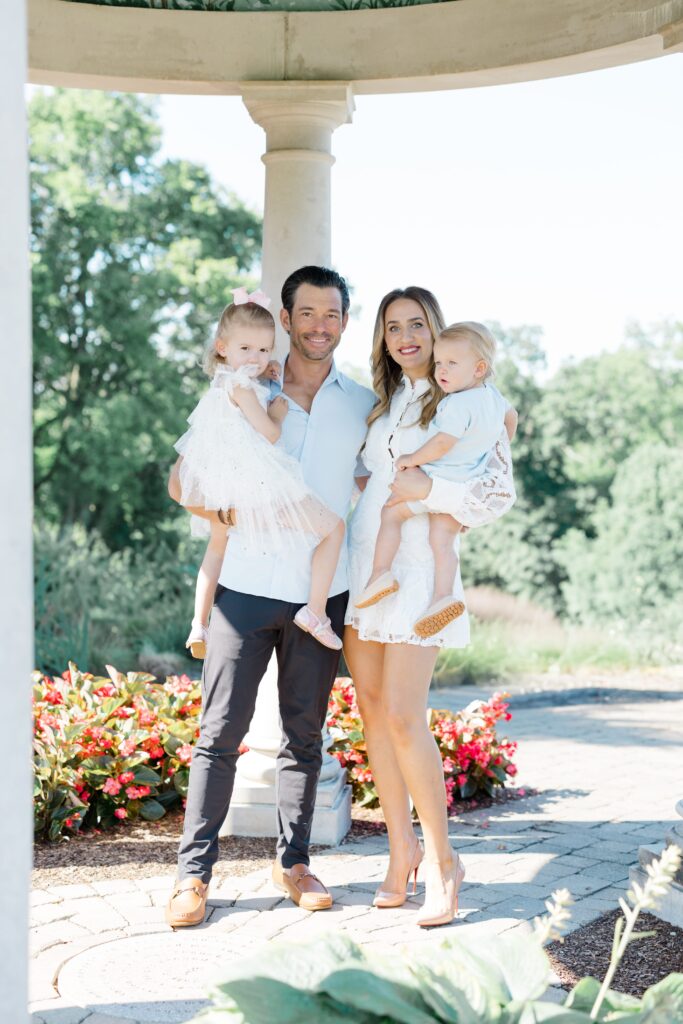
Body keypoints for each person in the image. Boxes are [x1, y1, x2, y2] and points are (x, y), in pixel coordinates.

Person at [165, 266, 374, 928]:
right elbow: (182, 480)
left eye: (331, 314)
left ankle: (295, 863)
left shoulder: (363, 403)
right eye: (306, 313)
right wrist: (212, 504)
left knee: (303, 736)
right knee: (218, 734)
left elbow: (386, 476)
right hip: (244, 588)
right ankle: (191, 876)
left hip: (322, 591)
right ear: (284, 320)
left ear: (344, 321)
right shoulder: (246, 384)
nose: (319, 324)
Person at [345, 287, 502, 928]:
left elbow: (496, 495)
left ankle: (444, 863)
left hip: (420, 572)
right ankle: (399, 849)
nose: (406, 336)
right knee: (375, 715)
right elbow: (363, 478)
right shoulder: (382, 406)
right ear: (382, 339)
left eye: (417, 324)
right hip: (368, 565)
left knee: (407, 716)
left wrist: (431, 487)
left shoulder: (469, 402)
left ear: (438, 332)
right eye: (393, 327)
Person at [174, 290, 345, 655]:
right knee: (333, 529)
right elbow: (268, 434)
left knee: (216, 549)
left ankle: (198, 626)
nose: (257, 358)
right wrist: (279, 415)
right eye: (247, 350)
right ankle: (316, 612)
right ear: (223, 346)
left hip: (224, 488)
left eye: (265, 350)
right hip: (261, 488)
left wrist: (264, 371)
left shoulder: (221, 383)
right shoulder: (242, 388)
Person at [354, 321, 517, 638]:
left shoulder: (456, 403)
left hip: (435, 480)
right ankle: (443, 597)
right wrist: (488, 448)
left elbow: (442, 443)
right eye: (439, 363)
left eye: (451, 364)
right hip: (460, 487)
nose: (442, 370)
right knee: (443, 543)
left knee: (391, 513)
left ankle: (380, 574)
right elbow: (510, 420)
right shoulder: (494, 399)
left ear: (479, 368)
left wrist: (411, 459)